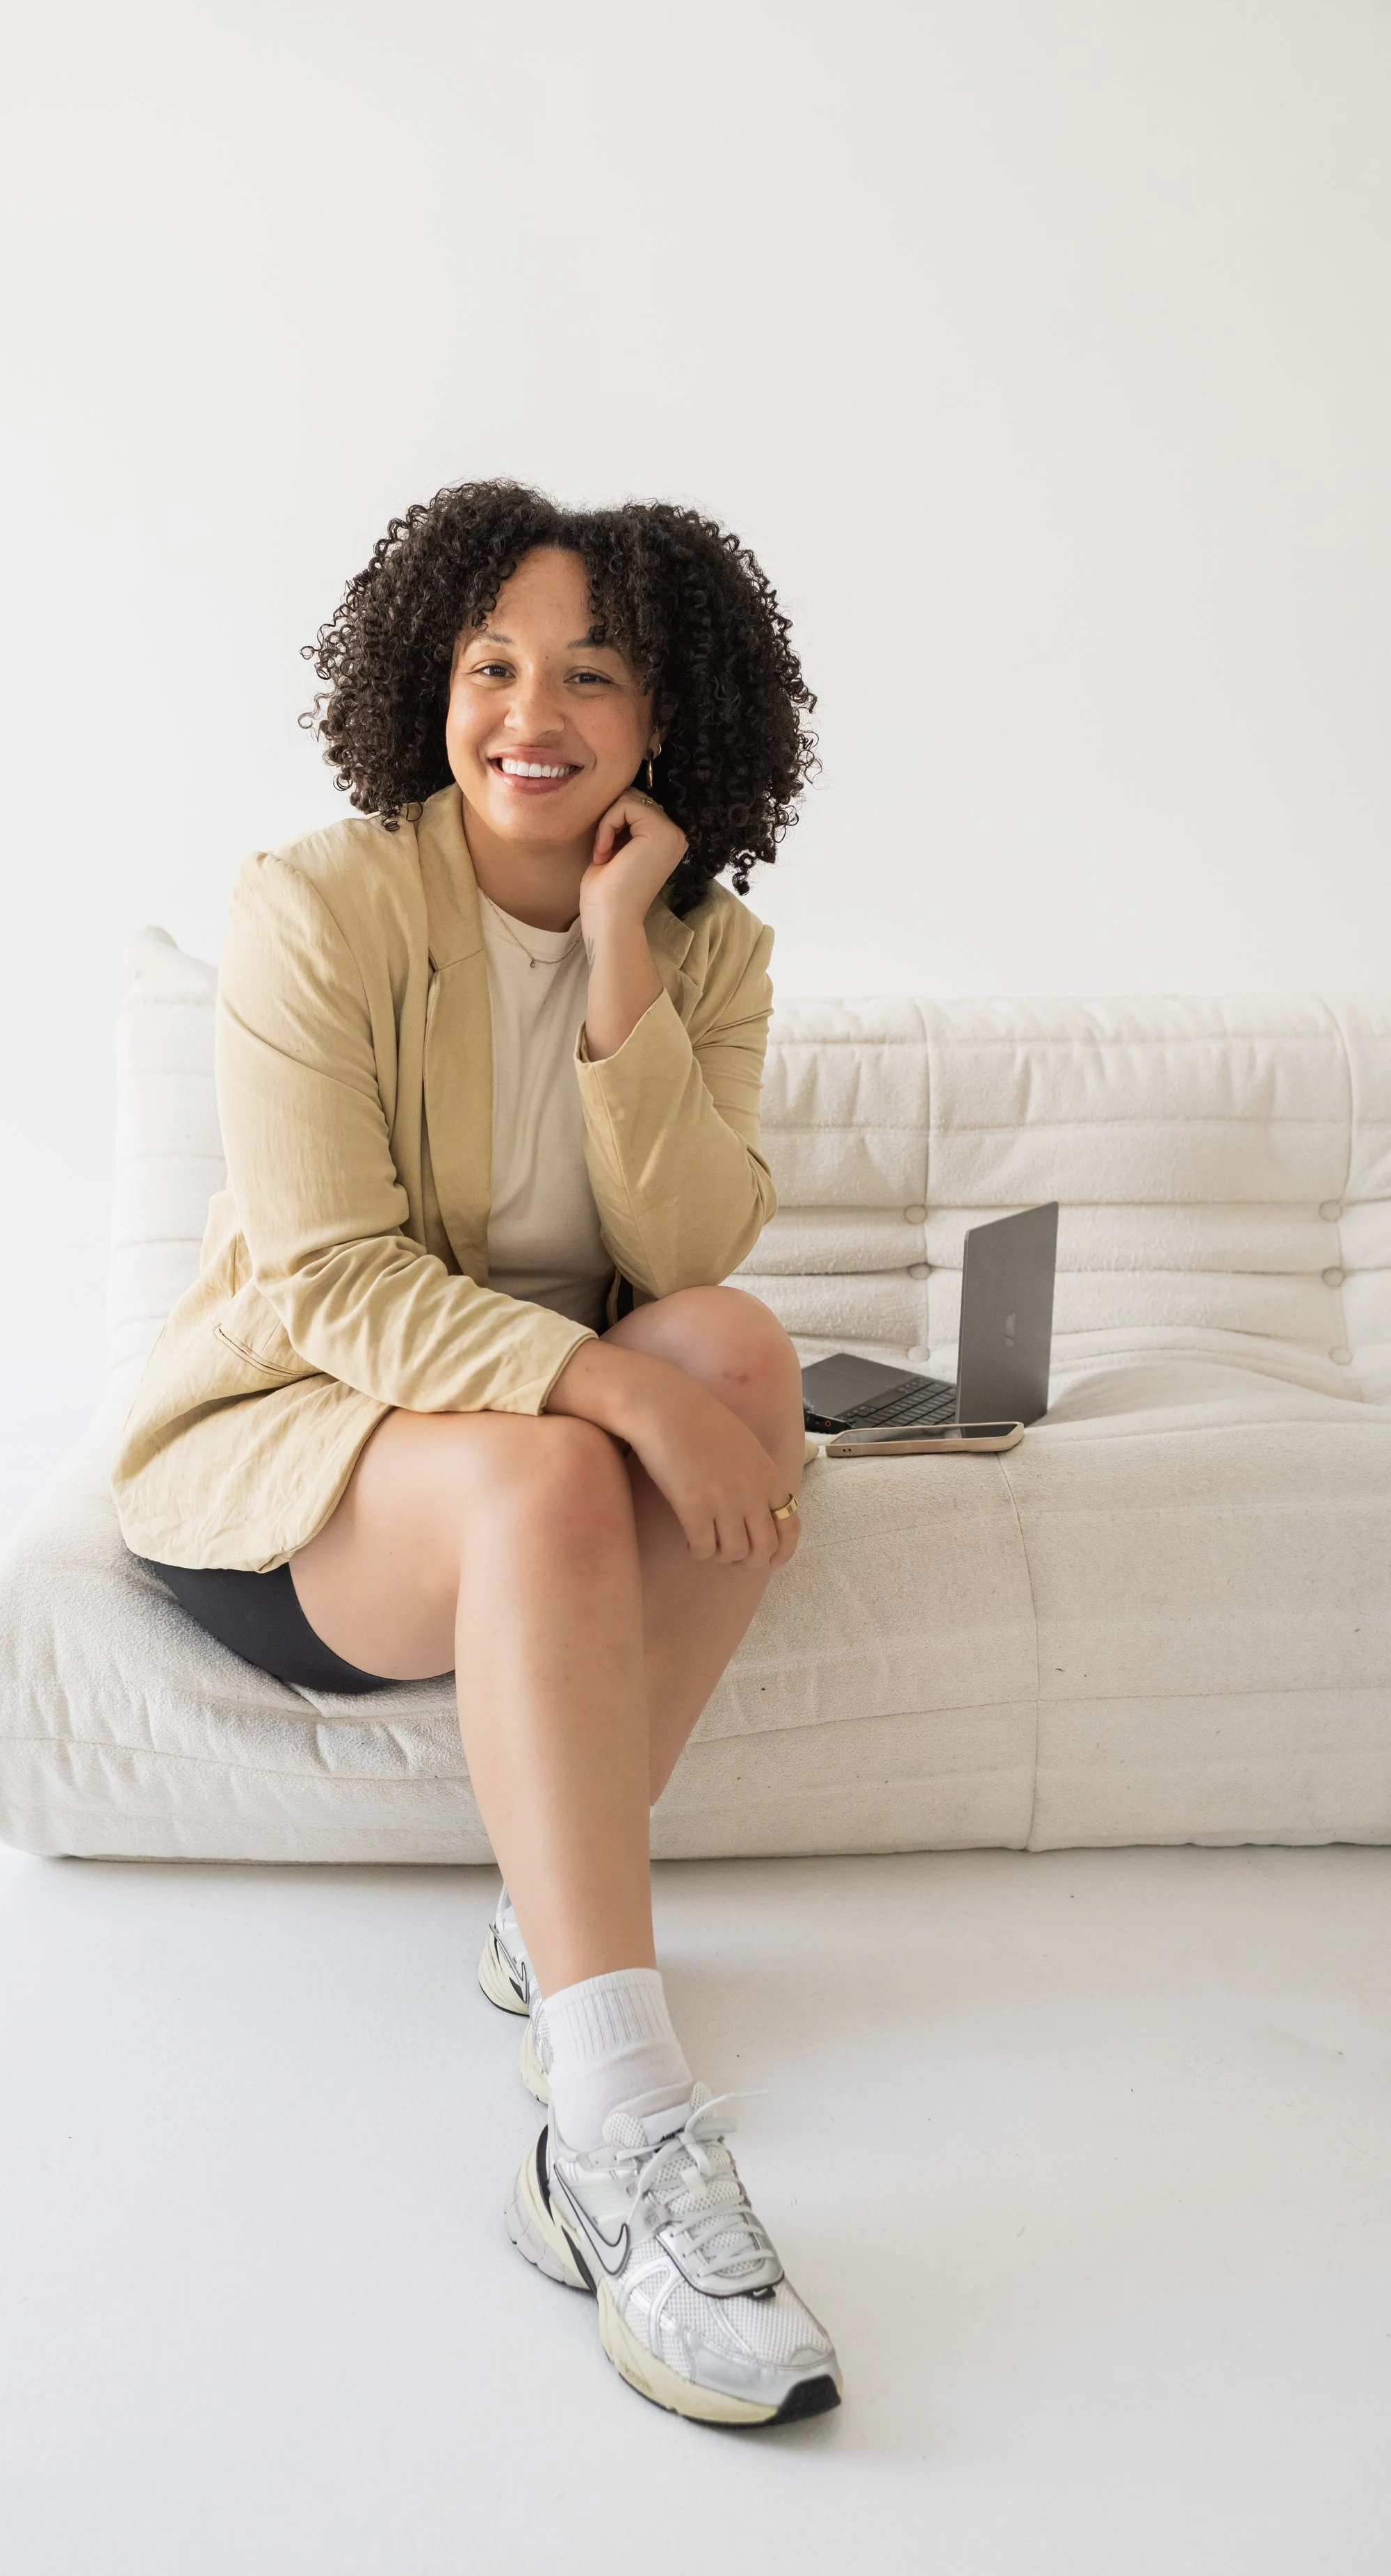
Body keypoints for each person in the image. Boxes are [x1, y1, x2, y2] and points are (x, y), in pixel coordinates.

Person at [113, 480, 842, 2426]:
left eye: (590, 671)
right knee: (556, 1451)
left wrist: (620, 955)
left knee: (739, 1350)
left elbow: (683, 1257)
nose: (534, 709)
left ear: (662, 713)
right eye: (492, 662)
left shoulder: (711, 947)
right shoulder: (319, 906)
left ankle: (548, 1917)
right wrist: (603, 1390)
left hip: (507, 1442)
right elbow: (334, 1276)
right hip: (294, 1462)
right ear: (429, 682)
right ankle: (610, 2132)